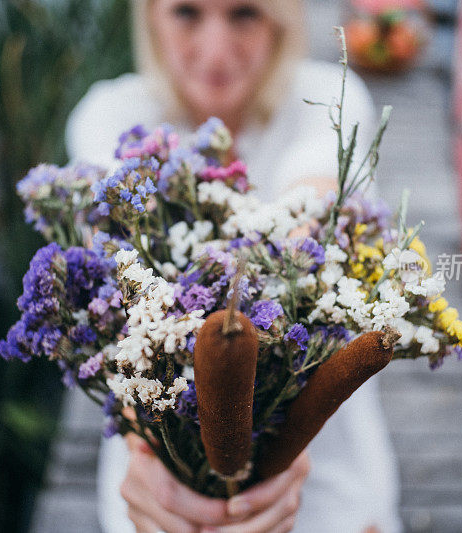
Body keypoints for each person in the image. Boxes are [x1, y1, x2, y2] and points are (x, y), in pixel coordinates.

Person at [65, 1, 402, 531]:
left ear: (281, 21)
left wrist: (297, 245)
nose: (217, 49)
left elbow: (309, 208)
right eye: (187, 12)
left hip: (320, 468)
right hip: (160, 481)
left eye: (244, 12)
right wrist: (150, 453)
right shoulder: (110, 116)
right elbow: (115, 292)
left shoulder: (328, 98)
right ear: (150, 15)